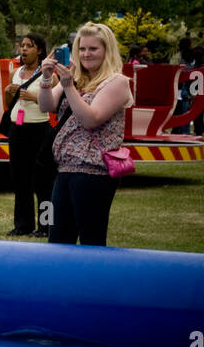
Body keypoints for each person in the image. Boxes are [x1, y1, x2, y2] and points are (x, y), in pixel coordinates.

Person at [37, 22, 134, 246]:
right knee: (59, 239)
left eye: (93, 49)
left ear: (107, 51)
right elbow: (47, 105)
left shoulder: (117, 83)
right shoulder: (76, 78)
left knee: (91, 239)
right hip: (65, 169)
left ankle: (94, 280)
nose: (86, 54)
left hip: (94, 172)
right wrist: (45, 77)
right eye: (82, 49)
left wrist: (69, 86)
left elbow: (91, 119)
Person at [4, 33, 56, 237]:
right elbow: (10, 106)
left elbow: (53, 103)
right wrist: (10, 93)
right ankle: (22, 225)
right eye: (22, 46)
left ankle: (46, 226)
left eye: (29, 46)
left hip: (39, 129)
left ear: (40, 50)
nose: (24, 49)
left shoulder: (48, 74)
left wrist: (33, 96)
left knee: (44, 182)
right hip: (17, 128)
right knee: (20, 180)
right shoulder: (16, 73)